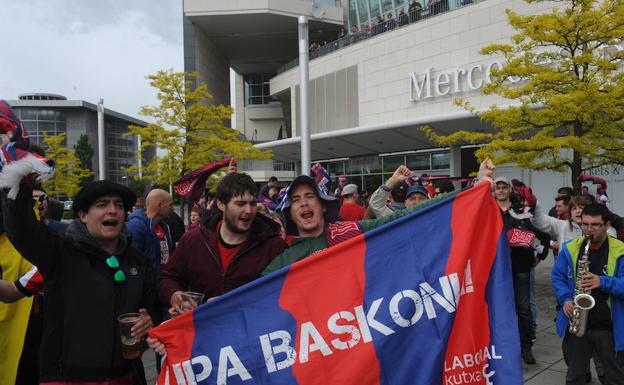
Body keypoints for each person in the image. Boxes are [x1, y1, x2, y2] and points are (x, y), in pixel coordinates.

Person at [3, 180, 158, 384]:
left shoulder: (138, 260)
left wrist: (149, 321)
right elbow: (21, 228)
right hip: (67, 378)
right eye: (102, 204)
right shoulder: (59, 252)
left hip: (127, 375)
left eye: (119, 205)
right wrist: (19, 182)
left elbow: (153, 307)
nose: (112, 210)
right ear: (83, 215)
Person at [261, 159, 495, 275]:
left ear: (323, 206)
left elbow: (406, 217)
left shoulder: (351, 233)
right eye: (296, 200)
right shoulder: (283, 261)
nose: (303, 203)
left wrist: (473, 190)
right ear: (290, 213)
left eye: (310, 196)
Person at [158, 173, 288, 317]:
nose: (249, 211)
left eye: (252, 203)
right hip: (204, 332)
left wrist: (231, 304)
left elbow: (283, 294)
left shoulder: (273, 246)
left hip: (253, 334)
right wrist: (174, 294)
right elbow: (167, 278)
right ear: (221, 204)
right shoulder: (193, 240)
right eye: (240, 204)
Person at [551, 203, 624, 385]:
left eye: (594, 225)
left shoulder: (621, 250)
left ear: (607, 225)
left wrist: (603, 281)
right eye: (584, 224)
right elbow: (557, 276)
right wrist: (565, 298)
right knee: (574, 377)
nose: (588, 230)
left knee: (614, 377)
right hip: (578, 323)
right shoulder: (571, 248)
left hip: (608, 326)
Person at [493, 176, 542, 364]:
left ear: (509, 190)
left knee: (523, 308)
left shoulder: (522, 211)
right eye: (498, 187)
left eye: (504, 187)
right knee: (499, 308)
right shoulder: (488, 210)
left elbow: (537, 233)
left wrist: (539, 252)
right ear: (494, 190)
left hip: (521, 265)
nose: (501, 190)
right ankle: (503, 346)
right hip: (497, 268)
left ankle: (526, 347)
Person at [127, 189, 174, 275]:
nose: (172, 208)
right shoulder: (136, 226)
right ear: (160, 205)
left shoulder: (165, 226)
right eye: (170, 205)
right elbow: (132, 263)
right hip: (147, 285)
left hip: (163, 282)